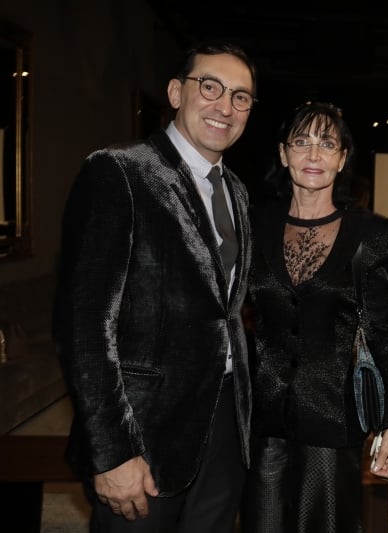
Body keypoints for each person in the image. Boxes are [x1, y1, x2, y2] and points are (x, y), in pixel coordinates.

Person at [52, 41, 257, 532]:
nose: (224, 106)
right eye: (210, 87)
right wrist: (112, 451)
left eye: (241, 97)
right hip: (143, 436)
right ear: (174, 92)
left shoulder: (237, 191)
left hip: (225, 423)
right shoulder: (119, 170)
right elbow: (84, 326)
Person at [241, 101, 388, 533]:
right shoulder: (253, 225)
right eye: (301, 142)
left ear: (341, 158)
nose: (313, 155)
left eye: (326, 144)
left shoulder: (372, 236)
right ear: (283, 154)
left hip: (334, 421)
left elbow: (385, 335)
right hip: (263, 419)